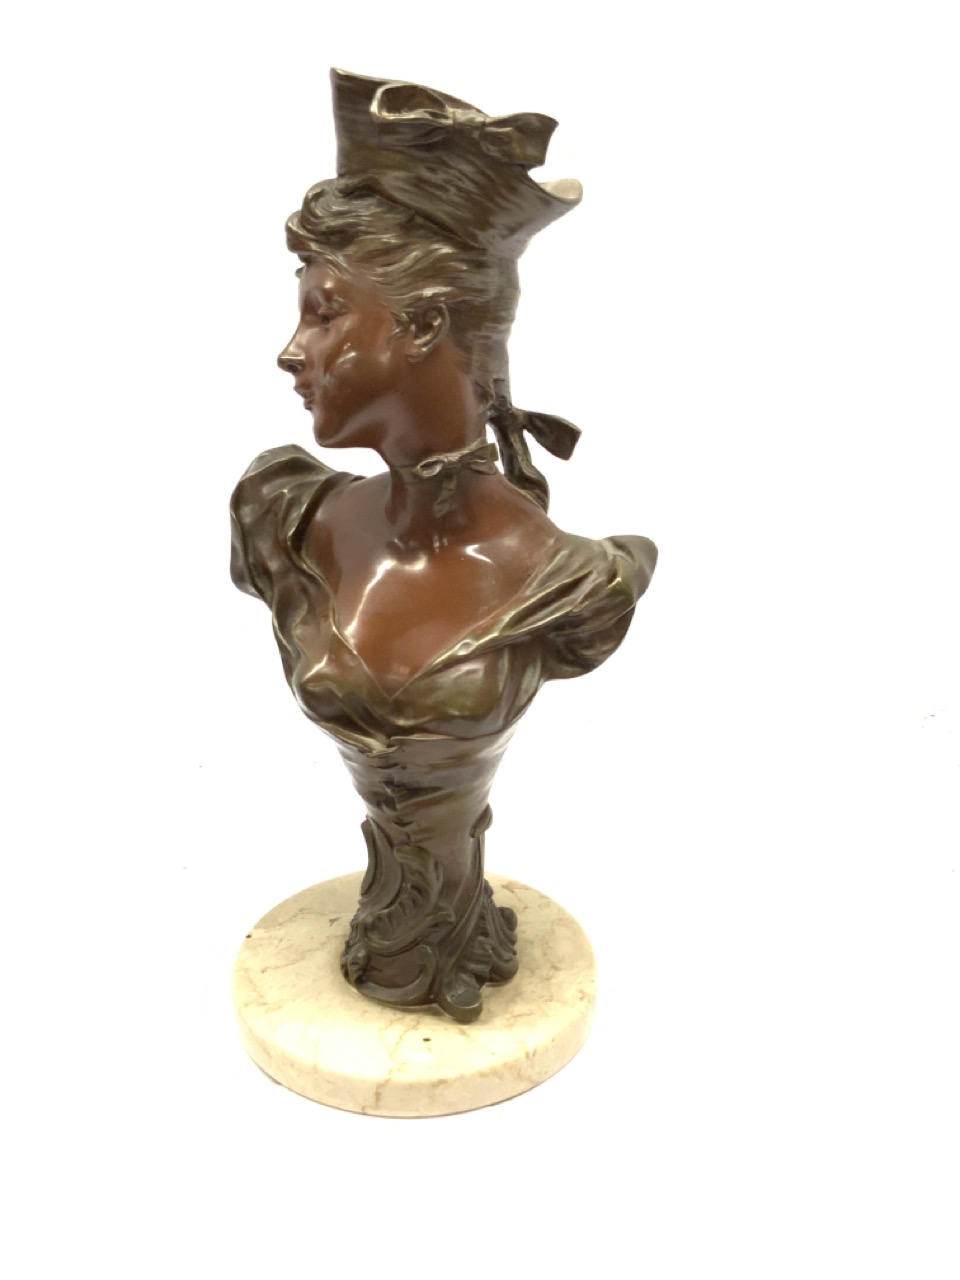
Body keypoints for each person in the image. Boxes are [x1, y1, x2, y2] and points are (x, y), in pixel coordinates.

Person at [231, 71, 657, 1022]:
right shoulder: (283, 515)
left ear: (424, 325)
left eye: (325, 312)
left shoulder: (572, 580)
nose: (291, 349)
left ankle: (441, 938)